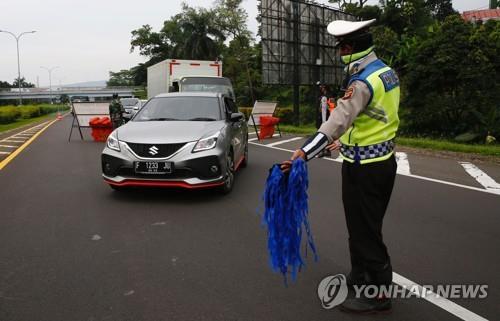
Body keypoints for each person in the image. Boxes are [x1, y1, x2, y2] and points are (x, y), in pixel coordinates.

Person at [281, 19, 400, 314]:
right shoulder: (386, 72)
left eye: (341, 49)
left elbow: (337, 121)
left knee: (365, 230)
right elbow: (372, 120)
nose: (339, 55)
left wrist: (303, 153)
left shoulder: (361, 82)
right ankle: (360, 275)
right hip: (382, 160)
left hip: (365, 168)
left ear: (351, 48)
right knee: (361, 226)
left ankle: (379, 293)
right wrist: (341, 145)